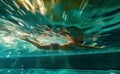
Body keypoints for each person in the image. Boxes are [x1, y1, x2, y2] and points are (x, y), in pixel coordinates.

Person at [21, 26, 105, 50]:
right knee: (40, 46)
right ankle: (27, 39)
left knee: (40, 45)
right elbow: (86, 47)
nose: (82, 41)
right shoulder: (73, 43)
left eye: (82, 40)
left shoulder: (74, 43)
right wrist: (97, 47)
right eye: (81, 40)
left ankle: (33, 39)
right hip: (57, 46)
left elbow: (84, 46)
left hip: (58, 46)